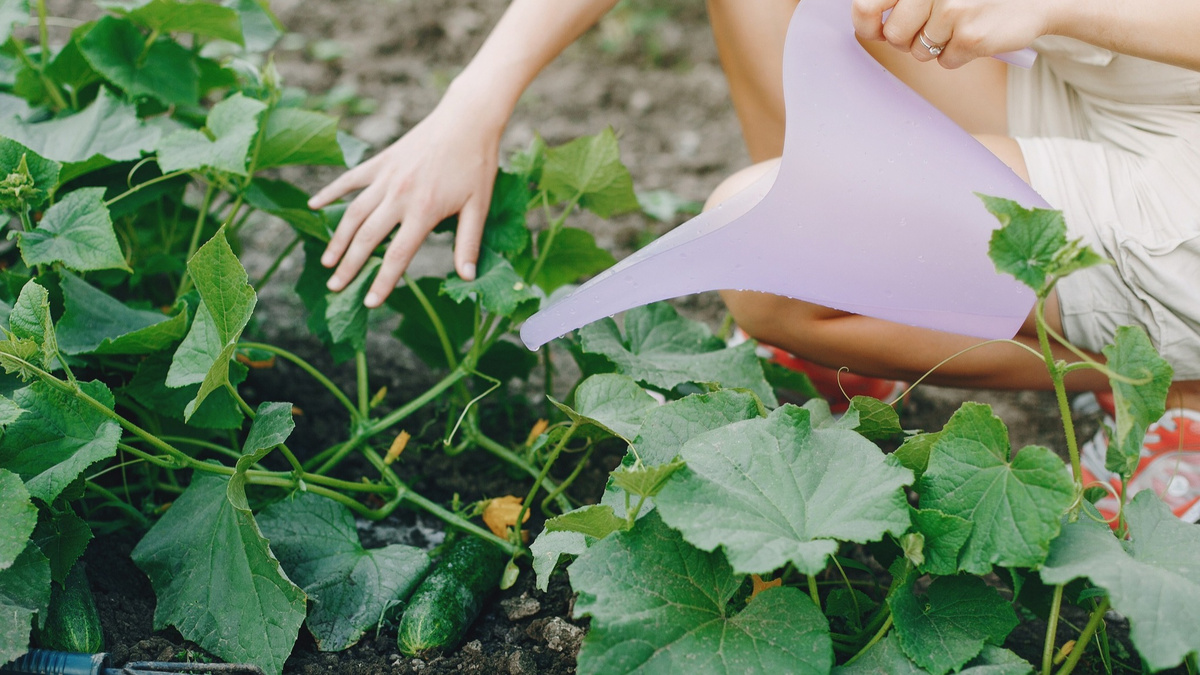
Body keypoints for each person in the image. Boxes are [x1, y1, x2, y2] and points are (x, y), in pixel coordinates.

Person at [309, 0, 1200, 519]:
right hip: (1087, 85)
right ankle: (864, 320)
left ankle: (1165, 376)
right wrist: (474, 105)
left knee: (759, 250)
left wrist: (1054, 7)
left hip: (1180, 175)